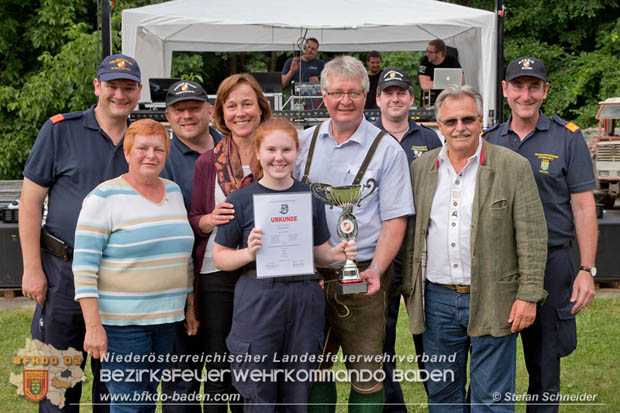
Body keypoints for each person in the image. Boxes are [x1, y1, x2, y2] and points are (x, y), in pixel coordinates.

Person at [403, 85, 547, 412]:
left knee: (492, 399)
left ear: (481, 120)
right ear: (437, 125)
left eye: (468, 119)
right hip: (437, 300)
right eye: (450, 121)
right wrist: (411, 290)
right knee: (442, 396)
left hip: (495, 296)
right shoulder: (421, 170)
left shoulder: (512, 167)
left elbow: (533, 236)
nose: (460, 127)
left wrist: (528, 294)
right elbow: (412, 234)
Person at [19, 53, 142, 413]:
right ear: (97, 86)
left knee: (115, 389)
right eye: (112, 86)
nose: (119, 94)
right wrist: (31, 268)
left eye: (128, 87)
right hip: (62, 275)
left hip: (122, 279)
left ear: (137, 92)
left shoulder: (144, 140)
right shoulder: (60, 130)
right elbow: (30, 203)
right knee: (58, 386)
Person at [293, 55, 414, 412]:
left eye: (354, 93)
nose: (345, 101)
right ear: (323, 96)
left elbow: (395, 220)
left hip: (363, 274)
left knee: (366, 370)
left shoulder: (387, 149)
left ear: (366, 95)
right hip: (310, 275)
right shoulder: (301, 143)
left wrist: (376, 268)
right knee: (313, 367)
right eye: (336, 93)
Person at [212, 117, 357, 412]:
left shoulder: (310, 198)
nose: (279, 158)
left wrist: (337, 254)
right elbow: (220, 256)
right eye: (271, 150)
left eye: (286, 150)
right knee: (258, 386)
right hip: (259, 296)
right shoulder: (239, 200)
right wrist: (247, 254)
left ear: (297, 152)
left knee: (297, 388)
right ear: (258, 152)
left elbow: (317, 252)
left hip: (304, 297)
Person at [483, 57, 598, 412]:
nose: (525, 94)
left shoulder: (568, 139)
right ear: (505, 90)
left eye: (534, 86)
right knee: (489, 362)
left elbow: (583, 206)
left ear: (545, 91)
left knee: (545, 366)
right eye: (518, 86)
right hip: (498, 265)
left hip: (552, 262)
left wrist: (586, 269)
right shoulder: (487, 141)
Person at [72, 119, 197, 412]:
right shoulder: (104, 198)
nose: (150, 155)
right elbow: (84, 267)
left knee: (147, 398)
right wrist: (93, 327)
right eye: (142, 148)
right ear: (127, 153)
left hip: (166, 321)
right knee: (129, 402)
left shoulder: (174, 192)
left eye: (158, 149)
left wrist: (190, 306)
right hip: (123, 325)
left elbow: (184, 256)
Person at [188, 73, 272, 412]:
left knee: (259, 367)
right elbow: (195, 216)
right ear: (220, 113)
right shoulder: (208, 162)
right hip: (217, 274)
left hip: (266, 272)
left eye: (247, 104)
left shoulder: (277, 153)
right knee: (220, 367)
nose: (240, 112)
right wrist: (209, 220)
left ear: (261, 108)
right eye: (231, 105)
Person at [373, 66, 442, 411]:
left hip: (421, 254)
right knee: (380, 339)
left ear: (411, 98)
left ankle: (439, 400)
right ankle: (391, 406)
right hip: (381, 253)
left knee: (426, 337)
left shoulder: (431, 139)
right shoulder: (367, 139)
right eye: (389, 92)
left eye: (401, 92)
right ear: (378, 99)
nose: (395, 98)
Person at [159, 80, 223, 412]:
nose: (187, 115)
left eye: (194, 108)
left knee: (225, 374)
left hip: (228, 281)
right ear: (168, 116)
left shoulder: (233, 147)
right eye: (179, 110)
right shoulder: (159, 157)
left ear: (210, 110)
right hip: (178, 281)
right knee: (180, 378)